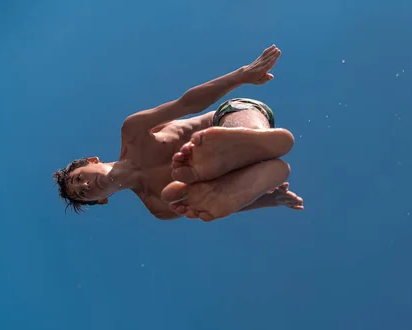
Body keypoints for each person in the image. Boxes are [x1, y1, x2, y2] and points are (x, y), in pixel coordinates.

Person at [53, 45, 304, 222]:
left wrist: (240, 76)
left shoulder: (133, 132)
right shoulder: (158, 206)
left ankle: (236, 139)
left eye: (79, 179)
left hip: (233, 116)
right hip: (234, 173)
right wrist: (269, 200)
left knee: (237, 116)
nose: (86, 185)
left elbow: (187, 103)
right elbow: (227, 199)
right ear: (101, 201)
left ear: (92, 161)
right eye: (83, 194)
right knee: (204, 193)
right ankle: (230, 160)